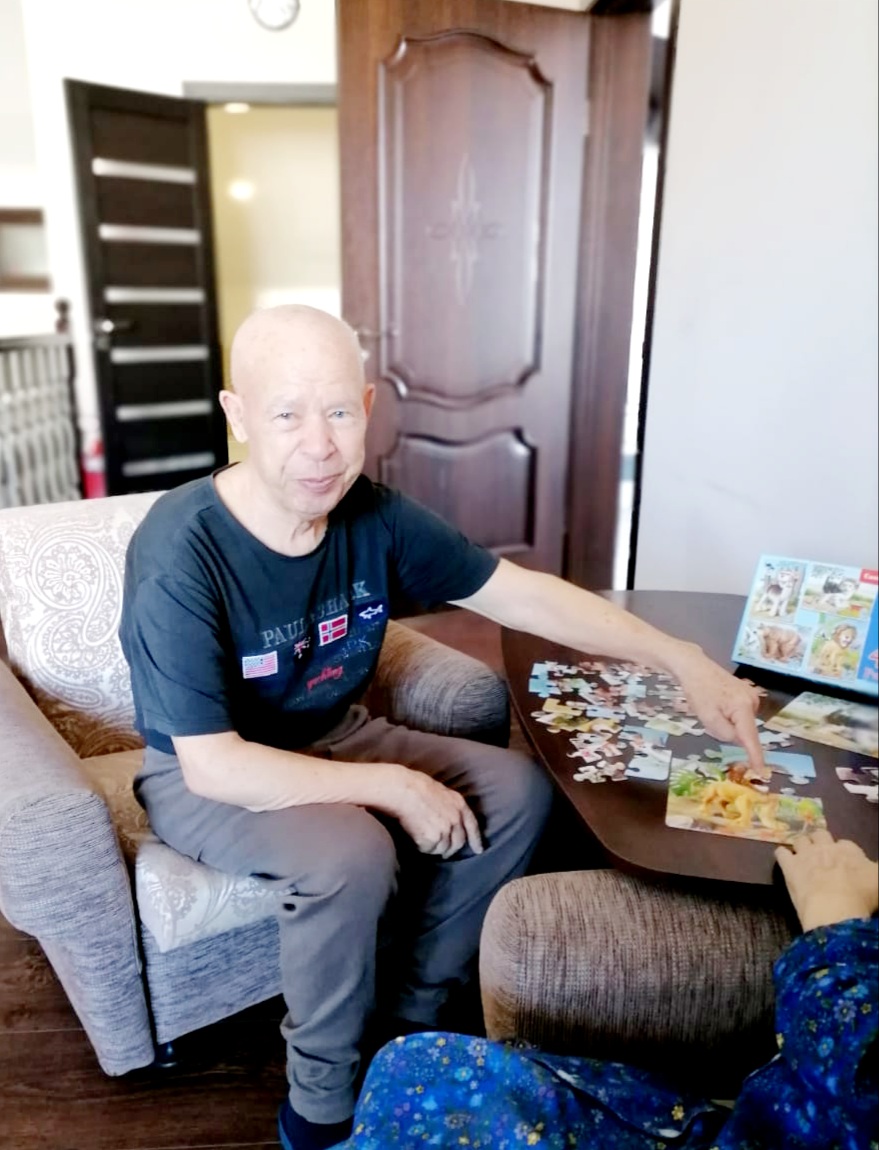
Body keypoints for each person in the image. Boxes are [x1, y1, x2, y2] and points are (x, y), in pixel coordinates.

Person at [119, 305, 764, 1150]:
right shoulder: (180, 549)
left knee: (518, 790)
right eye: (286, 415)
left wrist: (681, 659)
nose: (319, 446)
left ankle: (410, 1017)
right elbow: (212, 765)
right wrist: (394, 785)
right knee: (349, 852)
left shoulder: (375, 516)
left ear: (368, 408)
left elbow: (522, 595)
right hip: (208, 770)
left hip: (333, 731)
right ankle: (319, 1103)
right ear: (237, 416)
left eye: (338, 412)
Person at [341, 831, 879, 1149]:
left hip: (804, 1104)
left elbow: (857, 1068)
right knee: (409, 1066)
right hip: (765, 1122)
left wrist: (835, 921)